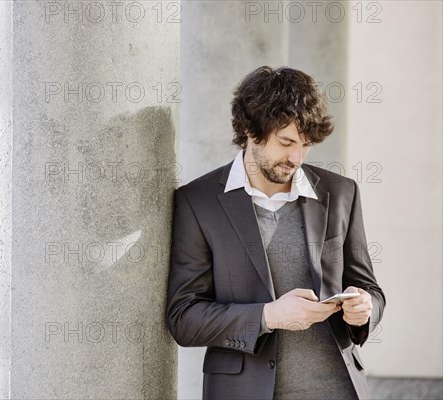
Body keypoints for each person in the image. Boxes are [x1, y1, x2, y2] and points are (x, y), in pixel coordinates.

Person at [165, 66, 385, 400]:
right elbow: (184, 318)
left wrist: (365, 309)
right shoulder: (198, 202)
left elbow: (369, 287)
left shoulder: (340, 192)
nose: (296, 157)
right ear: (250, 130)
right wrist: (268, 316)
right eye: (286, 142)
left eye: (306, 145)